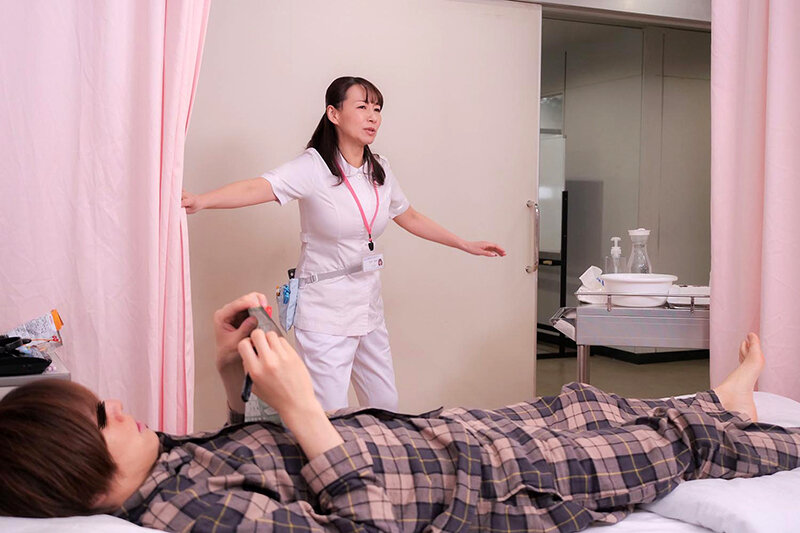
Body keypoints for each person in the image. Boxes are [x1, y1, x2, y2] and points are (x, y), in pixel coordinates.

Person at [1, 291, 800, 533]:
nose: (120, 408)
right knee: (667, 443)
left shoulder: (169, 465)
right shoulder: (187, 512)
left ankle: (722, 395)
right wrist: (303, 409)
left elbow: (251, 460)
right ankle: (741, 421)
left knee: (582, 400)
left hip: (442, 439)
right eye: (101, 418)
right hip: (487, 488)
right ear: (79, 476)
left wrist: (230, 377)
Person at [181, 76, 505, 412]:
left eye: (377, 109)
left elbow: (409, 216)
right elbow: (260, 187)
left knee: (384, 405)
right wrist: (201, 201)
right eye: (362, 107)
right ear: (334, 114)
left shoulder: (379, 169)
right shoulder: (313, 167)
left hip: (368, 306)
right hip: (325, 310)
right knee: (331, 411)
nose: (372, 117)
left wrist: (464, 244)